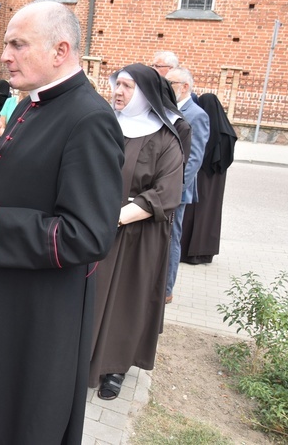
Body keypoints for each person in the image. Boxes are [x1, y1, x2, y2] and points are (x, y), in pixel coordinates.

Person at [0, 1, 124, 444]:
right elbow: (23, 183)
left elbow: (89, 235)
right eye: (6, 44)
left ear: (60, 50)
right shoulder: (25, 107)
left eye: (17, 44)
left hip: (36, 314)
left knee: (15, 418)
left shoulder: (90, 119)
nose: (5, 56)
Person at [89, 63, 184, 400]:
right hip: (98, 223)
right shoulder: (105, 124)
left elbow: (165, 193)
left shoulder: (166, 136)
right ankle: (85, 359)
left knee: (128, 299)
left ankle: (116, 367)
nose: (118, 91)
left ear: (144, 94)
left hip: (140, 232)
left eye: (127, 86)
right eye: (117, 84)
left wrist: (115, 218)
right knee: (95, 295)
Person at [164, 67, 210, 303]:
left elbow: (194, 159)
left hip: (177, 191)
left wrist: (176, 189)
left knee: (172, 237)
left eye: (170, 83)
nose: (165, 86)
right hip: (162, 189)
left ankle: (166, 289)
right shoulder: (167, 109)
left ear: (185, 87)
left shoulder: (196, 114)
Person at [180, 93, 237, 264]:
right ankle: (205, 251)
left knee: (193, 213)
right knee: (210, 214)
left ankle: (189, 251)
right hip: (217, 181)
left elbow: (198, 153)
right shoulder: (227, 131)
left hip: (201, 177)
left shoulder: (202, 123)